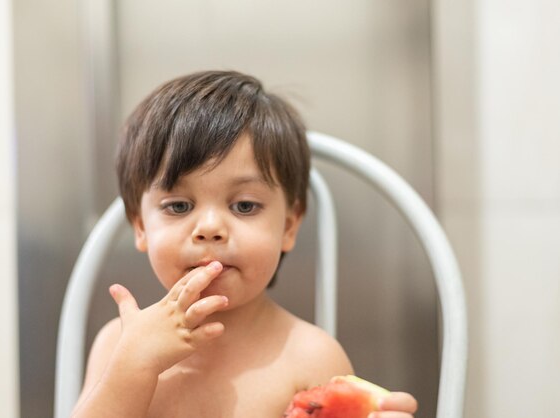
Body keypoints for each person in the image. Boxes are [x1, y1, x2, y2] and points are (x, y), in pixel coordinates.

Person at [71, 70, 418, 418]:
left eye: (244, 206)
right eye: (178, 206)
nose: (209, 228)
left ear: (289, 225)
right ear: (141, 226)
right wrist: (133, 368)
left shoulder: (310, 356)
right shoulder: (117, 344)